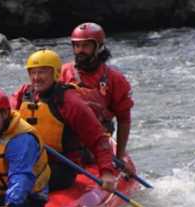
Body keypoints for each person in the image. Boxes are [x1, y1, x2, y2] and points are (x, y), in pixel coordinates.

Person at [11, 49, 118, 191]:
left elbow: (98, 139)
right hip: (29, 161)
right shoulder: (24, 93)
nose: (36, 77)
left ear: (55, 73)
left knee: (21, 180)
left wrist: (107, 173)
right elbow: (6, 116)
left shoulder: (69, 101)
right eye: (32, 72)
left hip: (61, 167)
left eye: (42, 72)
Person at [60, 22, 134, 170]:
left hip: (95, 138)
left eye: (86, 46)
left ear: (99, 47)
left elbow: (124, 119)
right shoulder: (63, 72)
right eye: (76, 46)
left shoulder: (114, 79)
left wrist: (119, 157)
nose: (80, 51)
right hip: (66, 135)